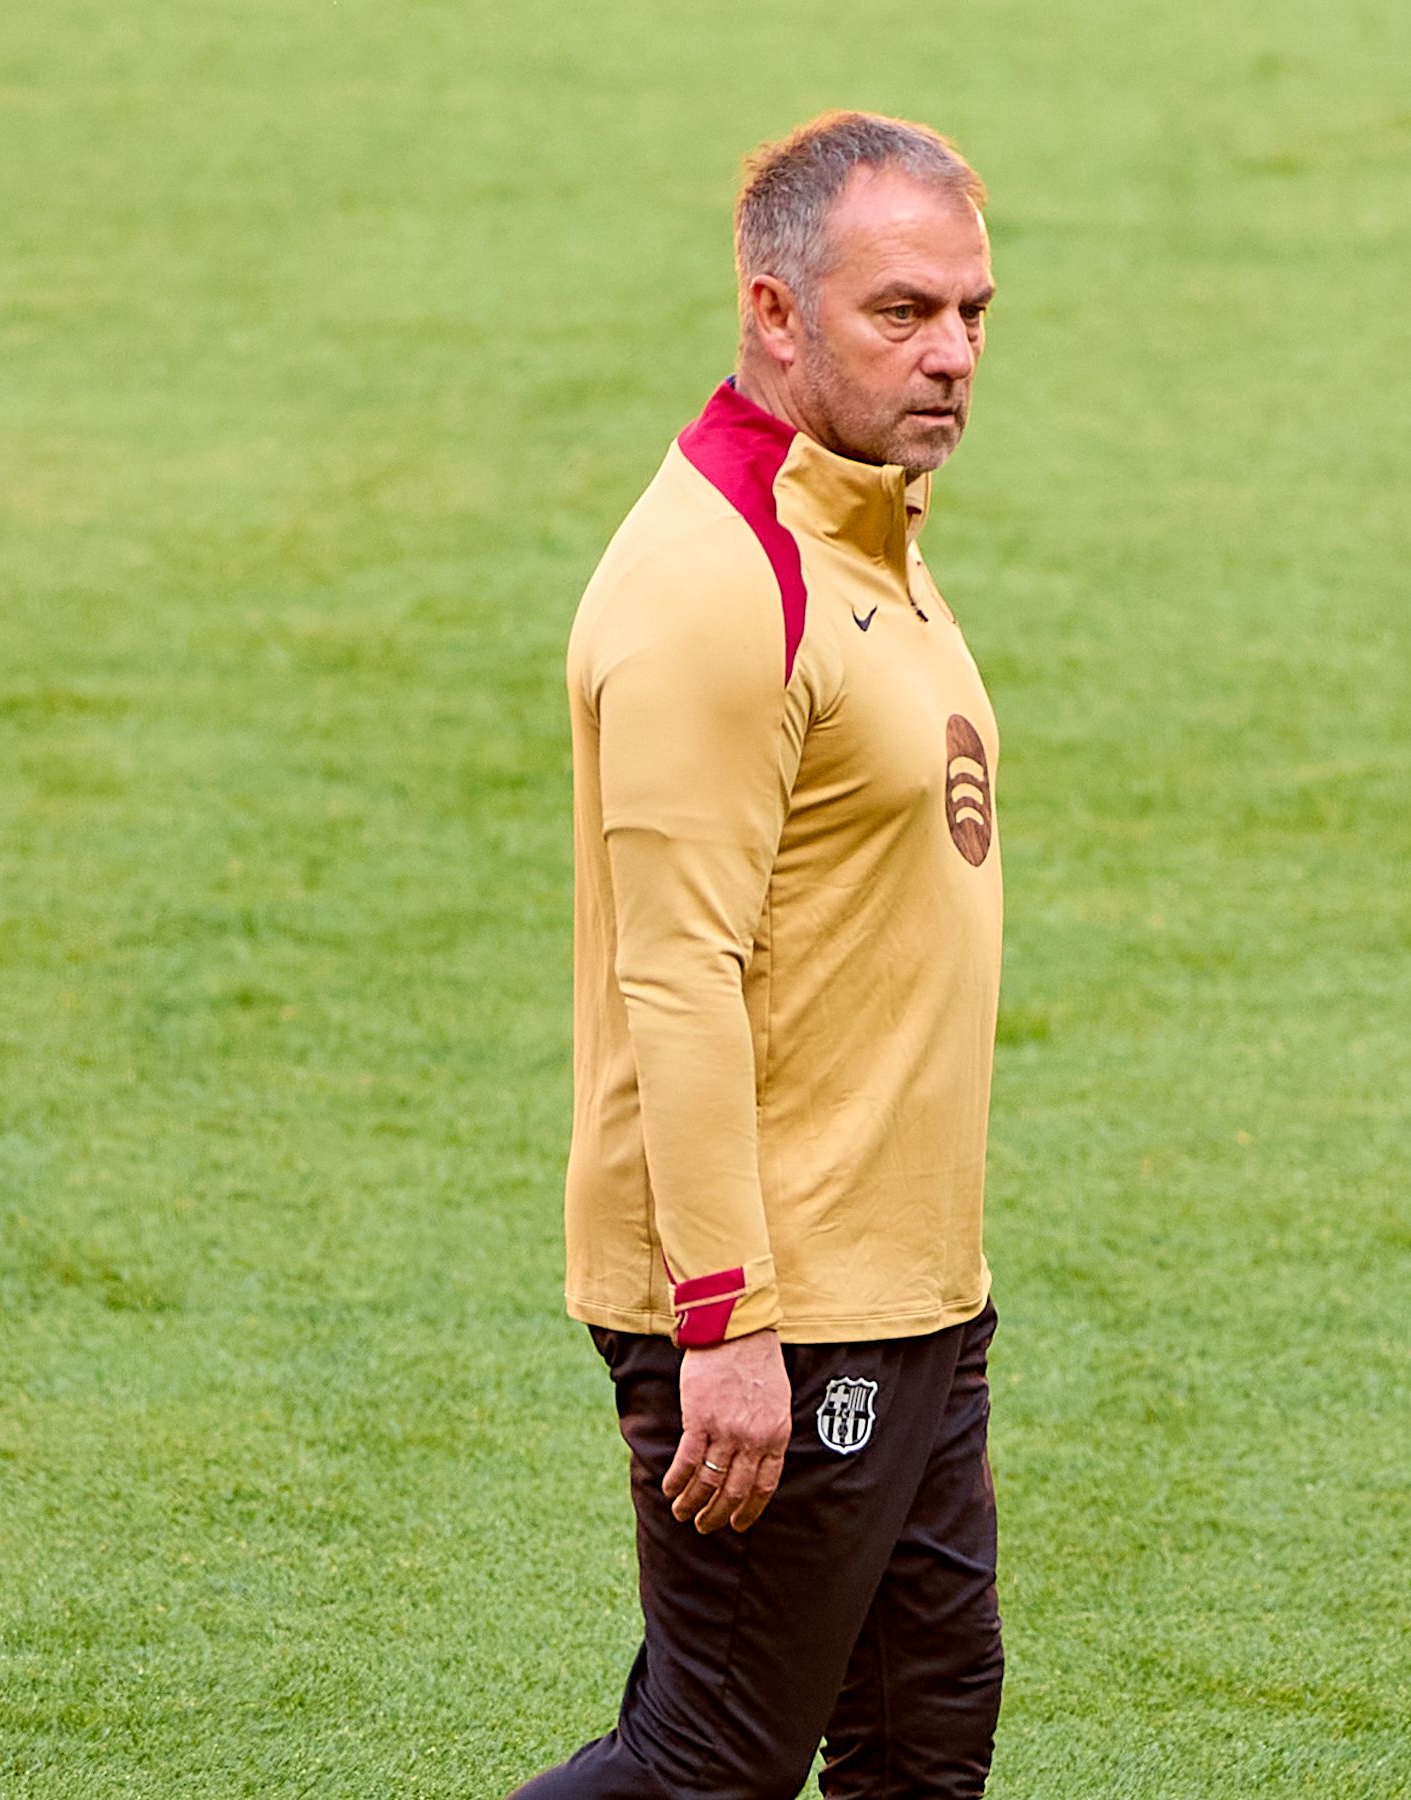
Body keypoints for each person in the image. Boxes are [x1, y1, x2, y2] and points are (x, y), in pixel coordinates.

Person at [514, 112, 1008, 1800]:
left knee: (924, 1742)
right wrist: (725, 1321)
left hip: (914, 1286)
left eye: (972, 313)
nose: (950, 357)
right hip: (777, 1303)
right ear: (775, 313)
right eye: (902, 313)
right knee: (708, 1762)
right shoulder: (717, 585)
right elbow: (680, 970)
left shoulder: (867, 533)